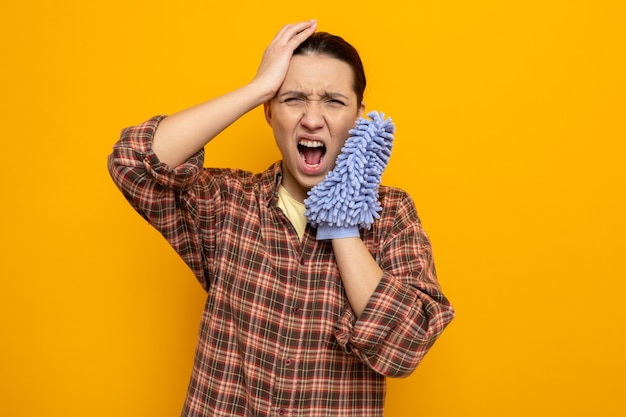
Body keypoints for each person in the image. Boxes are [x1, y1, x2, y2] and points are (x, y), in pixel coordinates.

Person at [108, 20, 454, 417]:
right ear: (269, 111)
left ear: (360, 117)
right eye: (293, 99)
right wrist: (257, 87)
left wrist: (341, 221)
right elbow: (132, 160)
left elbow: (408, 344)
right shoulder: (227, 204)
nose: (311, 118)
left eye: (333, 101)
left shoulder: (392, 216)